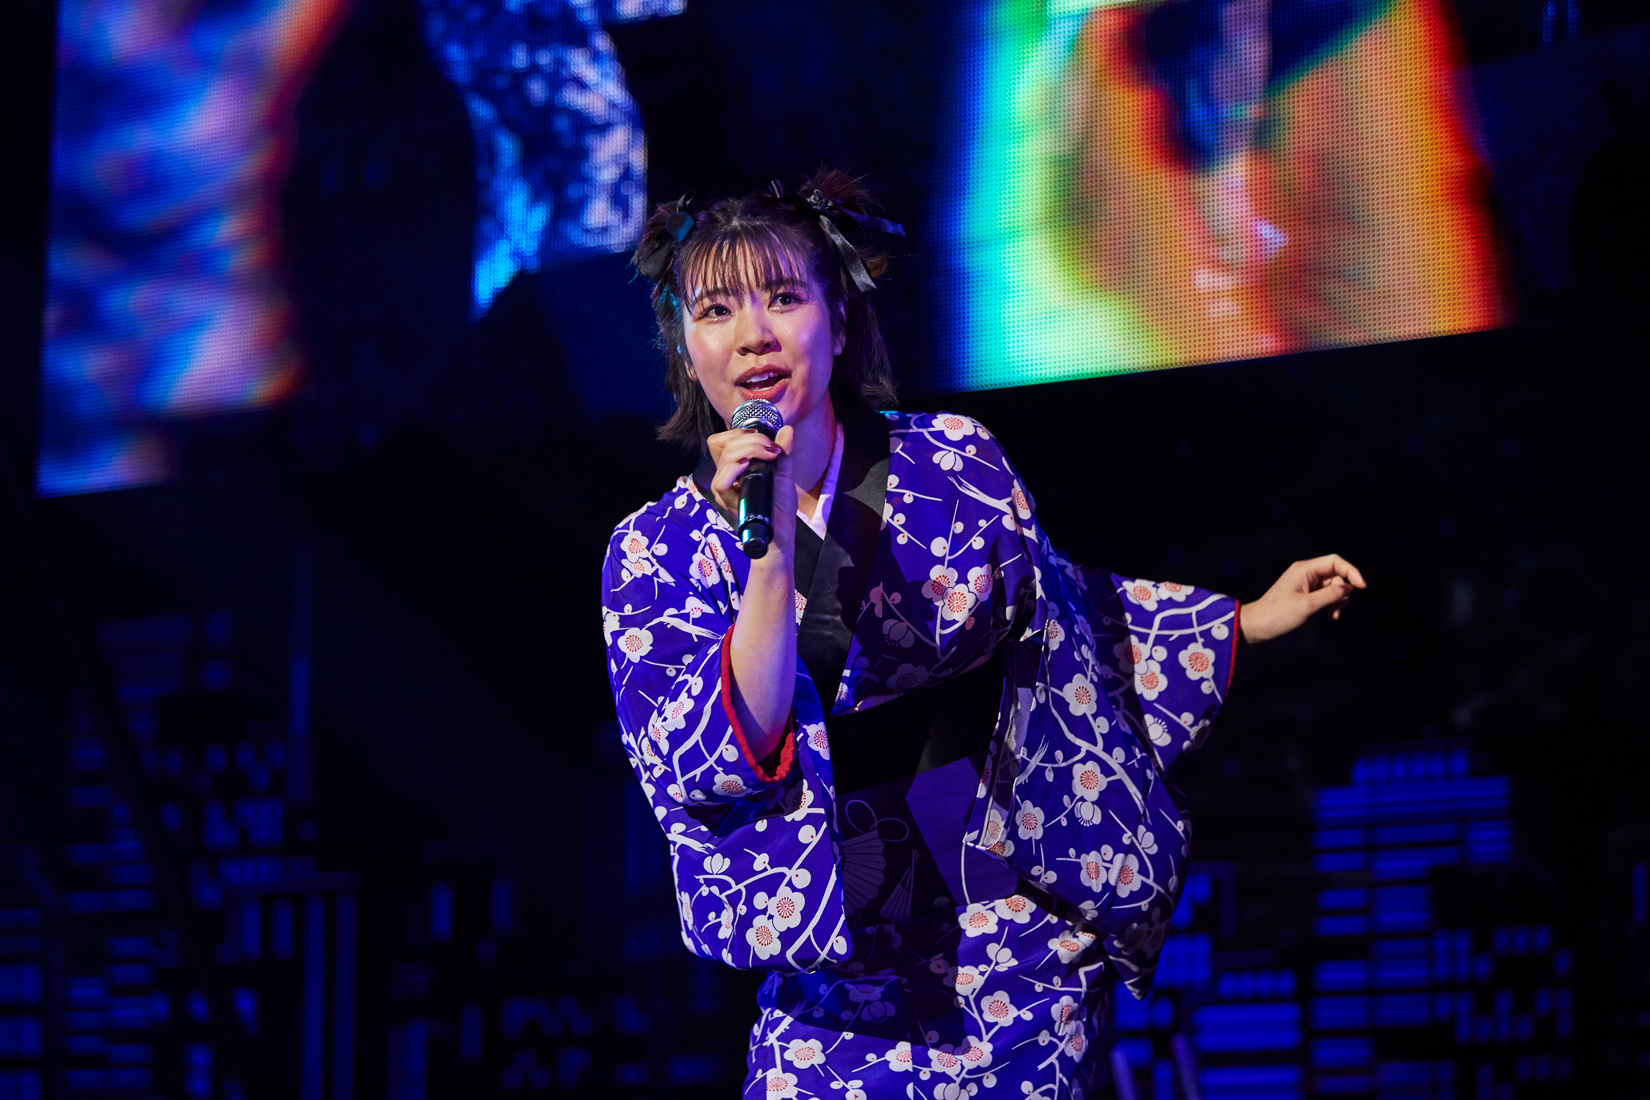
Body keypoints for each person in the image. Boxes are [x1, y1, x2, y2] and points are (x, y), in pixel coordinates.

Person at [601, 170, 1365, 1099]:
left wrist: (1242, 618)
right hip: (831, 983)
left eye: (784, 298)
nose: (753, 334)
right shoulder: (653, 553)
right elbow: (723, 754)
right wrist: (765, 557)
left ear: (837, 320)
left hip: (1010, 949)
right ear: (686, 352)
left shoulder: (954, 462)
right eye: (717, 310)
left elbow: (1069, 631)